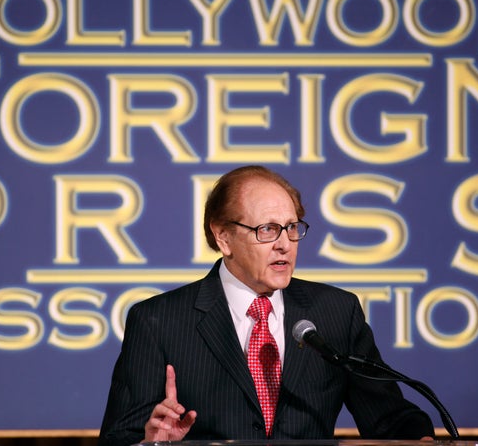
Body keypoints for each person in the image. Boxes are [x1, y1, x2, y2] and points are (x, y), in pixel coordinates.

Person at [98, 165, 435, 446]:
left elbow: (389, 419)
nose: (285, 245)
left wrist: (420, 437)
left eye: (291, 228)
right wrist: (149, 443)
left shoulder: (336, 312)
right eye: (268, 229)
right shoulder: (159, 321)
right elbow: (117, 438)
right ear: (223, 237)